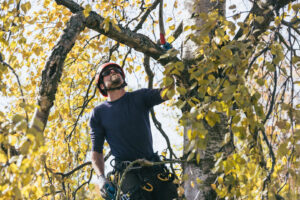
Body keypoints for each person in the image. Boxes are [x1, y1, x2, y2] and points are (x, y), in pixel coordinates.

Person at [89, 62, 178, 200]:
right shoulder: (99, 113)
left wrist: (169, 63)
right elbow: (96, 152)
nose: (113, 71)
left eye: (117, 70)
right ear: (101, 85)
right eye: (107, 72)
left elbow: (169, 92)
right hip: (128, 174)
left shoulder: (140, 97)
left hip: (153, 167)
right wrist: (101, 179)